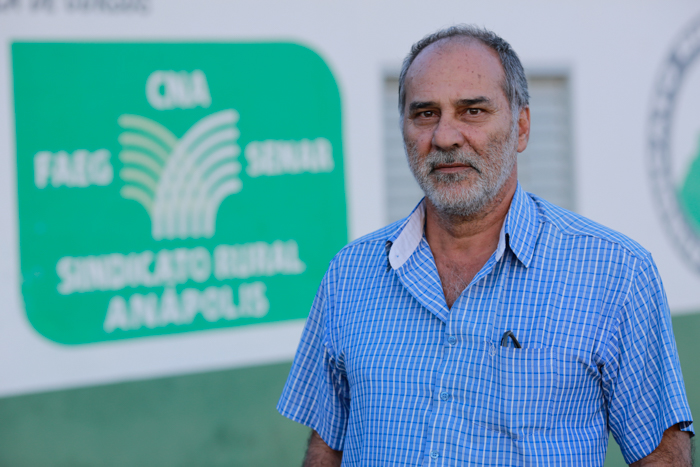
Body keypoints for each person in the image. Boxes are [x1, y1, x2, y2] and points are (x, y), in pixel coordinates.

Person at [277, 24, 694, 466]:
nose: (445, 136)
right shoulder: (349, 274)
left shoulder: (615, 273)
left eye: (472, 111)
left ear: (521, 127)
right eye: (425, 114)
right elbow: (327, 446)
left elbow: (661, 455)